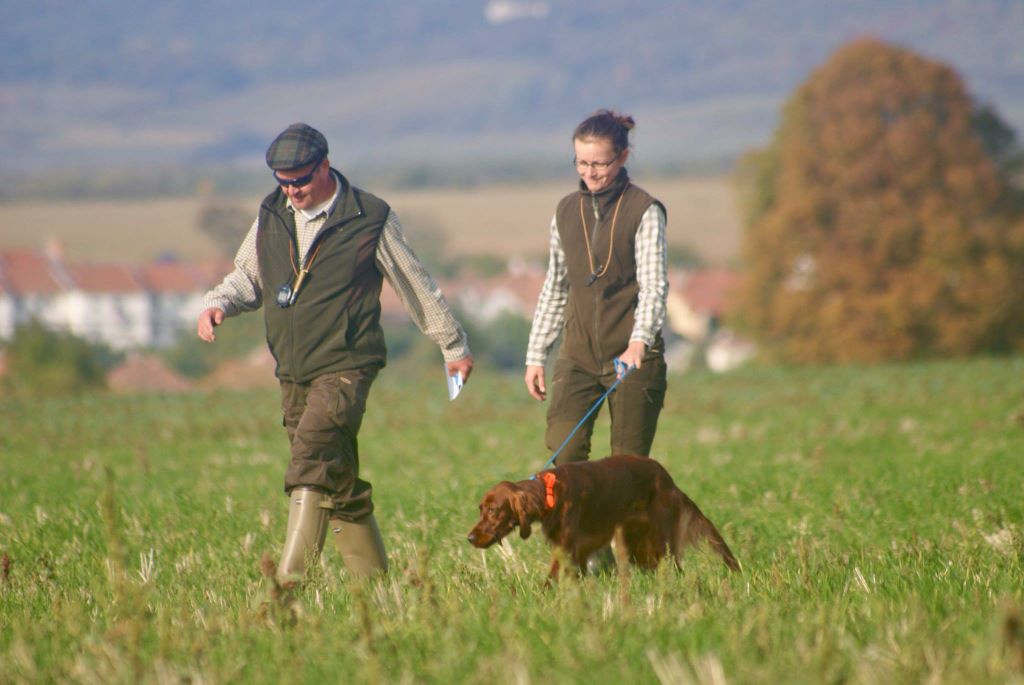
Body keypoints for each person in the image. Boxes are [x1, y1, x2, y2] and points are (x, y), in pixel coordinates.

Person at [197, 123, 473, 584]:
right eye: (282, 182)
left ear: (324, 165)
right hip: (293, 369)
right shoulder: (272, 212)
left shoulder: (371, 217)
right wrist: (217, 303)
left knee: (310, 459)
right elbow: (249, 276)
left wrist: (453, 344)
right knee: (337, 478)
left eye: (300, 180)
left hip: (346, 366)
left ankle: (287, 586)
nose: (292, 191)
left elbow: (415, 285)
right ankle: (379, 591)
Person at [525, 109, 669, 476]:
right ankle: (590, 534)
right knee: (565, 449)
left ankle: (632, 534)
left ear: (622, 157)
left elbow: (655, 286)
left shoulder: (645, 210)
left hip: (633, 355)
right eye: (581, 162)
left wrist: (639, 342)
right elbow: (556, 285)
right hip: (579, 355)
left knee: (628, 468)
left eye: (600, 164)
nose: (590, 173)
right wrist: (536, 354)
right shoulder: (564, 211)